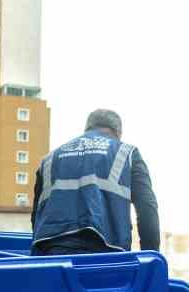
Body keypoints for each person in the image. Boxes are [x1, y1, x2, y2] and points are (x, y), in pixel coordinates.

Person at [30, 108, 159, 255]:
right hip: (103, 255)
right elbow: (147, 207)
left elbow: (36, 214)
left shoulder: (49, 159)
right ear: (118, 133)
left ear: (87, 129)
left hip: (51, 255)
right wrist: (151, 258)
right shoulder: (126, 153)